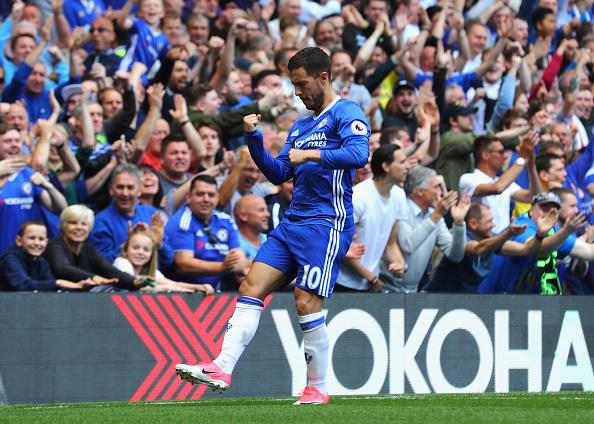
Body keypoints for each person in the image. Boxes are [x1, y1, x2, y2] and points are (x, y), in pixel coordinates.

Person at [175, 47, 369, 405]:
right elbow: (280, 172)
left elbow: (360, 155)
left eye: (301, 84)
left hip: (327, 222)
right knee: (251, 285)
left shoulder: (347, 112)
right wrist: (254, 141)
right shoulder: (301, 124)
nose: (297, 92)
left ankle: (318, 388)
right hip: (294, 221)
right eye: (293, 85)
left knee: (306, 301)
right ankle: (222, 366)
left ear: (323, 78)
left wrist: (311, 154)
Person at [335, 144, 409, 292]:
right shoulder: (358, 197)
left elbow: (391, 243)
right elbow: (341, 244)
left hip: (370, 283)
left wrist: (401, 265)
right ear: (386, 166)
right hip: (341, 283)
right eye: (401, 162)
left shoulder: (399, 195)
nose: (407, 166)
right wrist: (371, 277)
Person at [165, 174, 246, 290]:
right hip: (186, 293)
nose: (206, 199)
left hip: (221, 291)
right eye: (200, 194)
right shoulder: (181, 222)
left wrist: (241, 265)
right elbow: (183, 265)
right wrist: (222, 267)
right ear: (188, 197)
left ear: (218, 198)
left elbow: (238, 260)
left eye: (211, 195)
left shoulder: (226, 220)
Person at [45, 204, 151, 292]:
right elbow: (63, 268)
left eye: (84, 224)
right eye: (73, 223)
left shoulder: (88, 250)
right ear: (63, 225)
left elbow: (111, 271)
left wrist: (134, 282)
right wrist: (94, 278)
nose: (79, 228)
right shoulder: (54, 246)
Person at [113, 226, 214, 295]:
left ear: (152, 254)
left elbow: (173, 284)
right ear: (126, 250)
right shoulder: (122, 262)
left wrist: (199, 287)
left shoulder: (151, 272)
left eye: (146, 249)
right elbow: (135, 287)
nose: (140, 252)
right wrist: (167, 289)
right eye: (135, 247)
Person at [0, 221, 92, 291]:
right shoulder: (10, 259)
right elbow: (24, 285)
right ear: (19, 241)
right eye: (32, 238)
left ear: (46, 242)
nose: (37, 243)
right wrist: (58, 283)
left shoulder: (41, 261)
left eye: (41, 239)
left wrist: (77, 286)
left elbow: (49, 285)